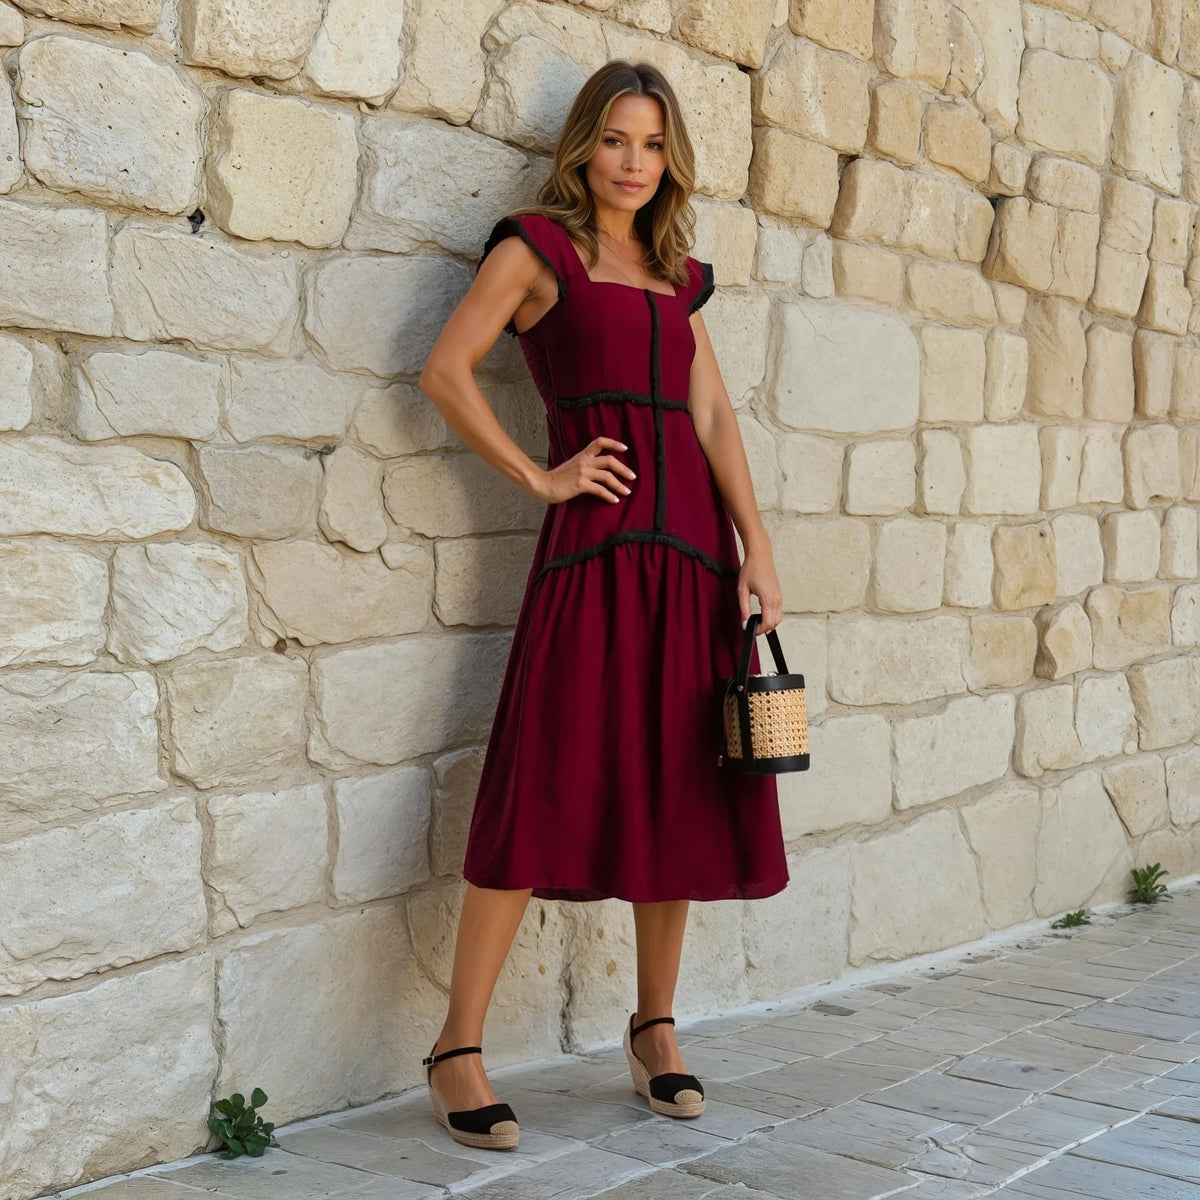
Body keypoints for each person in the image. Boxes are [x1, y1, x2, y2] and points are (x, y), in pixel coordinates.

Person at [416, 59, 788, 1152]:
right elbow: (446, 370)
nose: (635, 162)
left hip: (693, 563)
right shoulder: (536, 249)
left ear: (671, 160)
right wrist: (541, 476)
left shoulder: (676, 274)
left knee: (677, 788)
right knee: (542, 780)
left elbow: (712, 419)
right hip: (593, 555)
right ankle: (456, 1049)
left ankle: (655, 1030)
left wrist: (757, 549)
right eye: (618, 140)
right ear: (584, 145)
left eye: (655, 145)